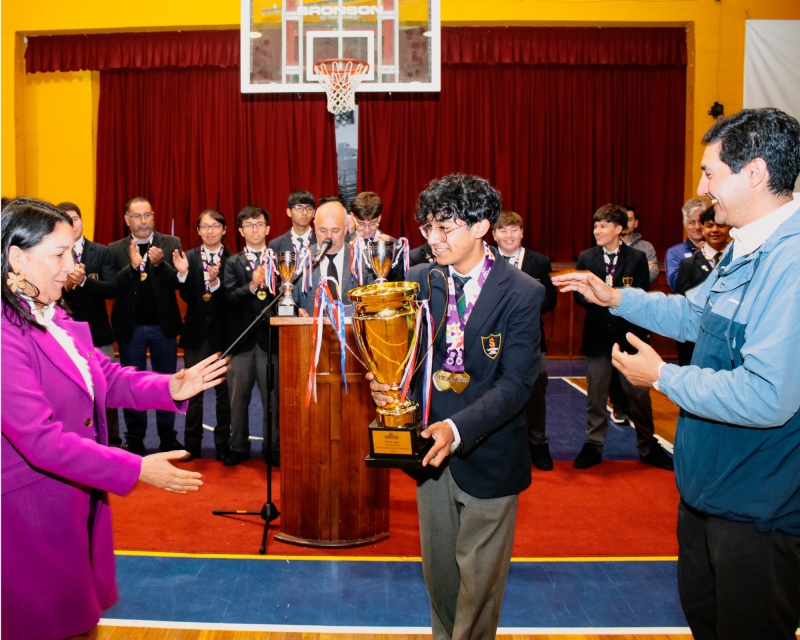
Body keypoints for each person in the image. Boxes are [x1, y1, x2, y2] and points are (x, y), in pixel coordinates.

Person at [553, 108, 800, 640]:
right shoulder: (747, 247)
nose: (701, 186)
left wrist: (663, 377)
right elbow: (691, 314)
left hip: (759, 504)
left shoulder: (792, 261)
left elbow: (769, 395)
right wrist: (615, 296)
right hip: (708, 491)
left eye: (711, 172)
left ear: (754, 173)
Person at [1, 198, 227, 640]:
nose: (71, 267)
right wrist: (137, 467)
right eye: (59, 254)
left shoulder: (51, 314)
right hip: (31, 514)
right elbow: (41, 440)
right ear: (15, 257)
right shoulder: (5, 334)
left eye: (72, 252)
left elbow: (103, 374)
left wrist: (169, 386)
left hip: (72, 499)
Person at [369, 174, 544, 639]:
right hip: (429, 456)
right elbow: (407, 360)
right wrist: (388, 387)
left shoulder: (522, 291)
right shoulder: (416, 281)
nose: (433, 239)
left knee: (478, 588)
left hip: (489, 455)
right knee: (441, 578)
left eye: (445, 228)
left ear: (482, 227)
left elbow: (516, 384)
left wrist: (456, 427)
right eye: (427, 227)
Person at [572, 203, 673, 471]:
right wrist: (596, 299)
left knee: (638, 394)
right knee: (596, 394)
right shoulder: (586, 257)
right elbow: (579, 295)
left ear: (619, 229)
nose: (597, 230)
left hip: (629, 337)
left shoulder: (637, 259)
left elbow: (639, 296)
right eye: (595, 225)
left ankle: (647, 445)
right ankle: (593, 444)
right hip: (597, 337)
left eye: (604, 225)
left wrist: (612, 298)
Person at [106, 197, 184, 455]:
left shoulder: (171, 244)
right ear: (127, 219)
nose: (142, 221)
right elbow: (111, 287)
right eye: (137, 216)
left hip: (163, 328)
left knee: (166, 383)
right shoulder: (114, 248)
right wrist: (131, 266)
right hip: (131, 329)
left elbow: (179, 283)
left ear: (153, 217)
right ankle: (135, 437)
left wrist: (161, 264)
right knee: (131, 384)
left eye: (147, 215)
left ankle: (167, 436)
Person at [491, 210, 557, 470]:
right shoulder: (486, 260)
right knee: (493, 392)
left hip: (531, 339)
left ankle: (538, 444)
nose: (509, 235)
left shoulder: (539, 261)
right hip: (492, 341)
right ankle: (500, 446)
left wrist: (518, 310)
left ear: (522, 232)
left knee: (536, 390)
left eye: (514, 230)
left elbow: (550, 299)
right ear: (494, 234)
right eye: (503, 230)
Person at [57, 201, 121, 446]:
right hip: (62, 334)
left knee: (107, 388)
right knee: (69, 392)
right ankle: (76, 443)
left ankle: (112, 441)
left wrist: (84, 282)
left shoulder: (101, 252)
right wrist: (68, 286)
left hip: (97, 333)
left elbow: (112, 287)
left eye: (73, 218)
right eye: (64, 218)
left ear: (82, 221)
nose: (70, 223)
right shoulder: (52, 252)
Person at [222, 206, 279, 467]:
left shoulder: (281, 259)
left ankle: (273, 447)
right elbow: (228, 299)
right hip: (242, 342)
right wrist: (252, 286)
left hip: (272, 341)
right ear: (240, 231)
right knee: (238, 398)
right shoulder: (232, 263)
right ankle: (237, 446)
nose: (254, 229)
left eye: (259, 224)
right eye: (249, 225)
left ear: (268, 229)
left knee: (273, 400)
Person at [173, 209, 232, 461]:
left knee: (224, 395)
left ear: (224, 229)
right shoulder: (187, 259)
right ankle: (191, 446)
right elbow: (186, 296)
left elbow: (231, 299)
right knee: (192, 393)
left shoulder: (235, 260)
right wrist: (184, 275)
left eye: (215, 226)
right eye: (204, 227)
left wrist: (217, 282)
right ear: (198, 231)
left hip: (223, 336)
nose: (210, 231)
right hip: (196, 335)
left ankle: (223, 445)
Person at [609, 204, 660, 425]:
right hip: (609, 317)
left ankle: (643, 428)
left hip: (636, 317)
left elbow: (651, 275)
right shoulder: (605, 248)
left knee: (636, 367)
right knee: (613, 365)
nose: (627, 223)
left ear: (635, 222)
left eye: (631, 219)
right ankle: (619, 405)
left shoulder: (645, 247)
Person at [294, 198, 375, 315]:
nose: (329, 237)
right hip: (309, 331)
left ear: (346, 228)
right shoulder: (301, 260)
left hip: (351, 332)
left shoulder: (363, 259)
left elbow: (375, 302)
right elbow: (284, 299)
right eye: (322, 230)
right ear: (315, 226)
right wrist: (295, 311)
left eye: (335, 230)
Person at [673, 205, 731, 365]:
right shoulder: (688, 264)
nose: (715, 230)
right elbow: (681, 304)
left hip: (728, 339)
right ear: (703, 228)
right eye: (709, 225)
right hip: (695, 339)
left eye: (720, 225)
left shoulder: (738, 261)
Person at [664, 197, 710, 290]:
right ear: (684, 224)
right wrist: (699, 257)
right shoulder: (674, 252)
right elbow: (676, 285)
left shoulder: (721, 248)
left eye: (701, 221)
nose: (697, 227)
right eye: (691, 222)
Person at [268, 190, 317, 254]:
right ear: (289, 212)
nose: (305, 212)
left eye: (309, 208)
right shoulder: (275, 245)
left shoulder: (322, 241)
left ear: (314, 213)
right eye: (299, 208)